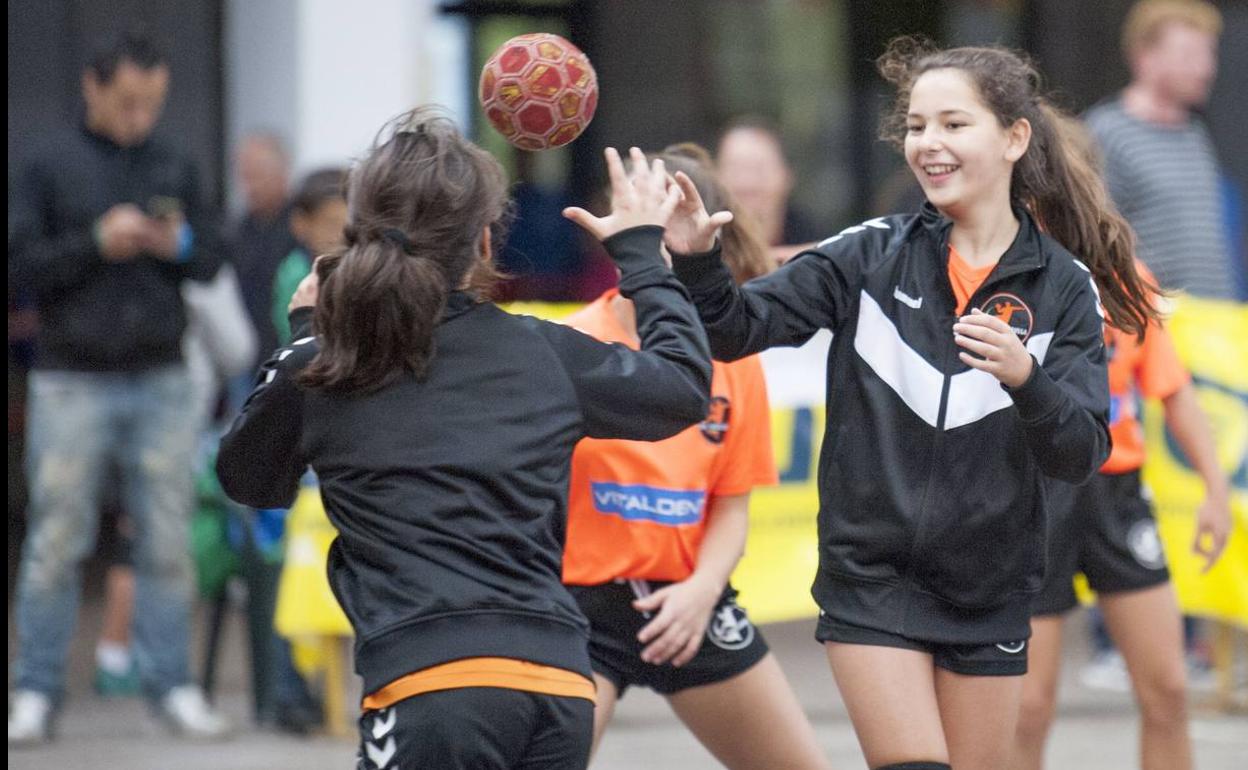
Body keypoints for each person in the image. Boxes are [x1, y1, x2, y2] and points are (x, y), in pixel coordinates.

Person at [669, 37, 1161, 770]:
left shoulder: (1063, 287)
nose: (928, 143)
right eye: (917, 126)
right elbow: (735, 331)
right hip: (872, 583)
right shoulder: (867, 254)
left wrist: (1029, 380)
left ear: (1014, 138)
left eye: (953, 125)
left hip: (990, 591)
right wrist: (695, 262)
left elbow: (1081, 451)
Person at [215, 108, 711, 769]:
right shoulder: (543, 351)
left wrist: (304, 334)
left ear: (355, 235)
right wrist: (644, 257)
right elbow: (680, 390)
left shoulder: (325, 364)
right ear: (483, 242)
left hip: (429, 689)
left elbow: (251, 480)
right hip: (558, 687)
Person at [561, 144, 830, 769]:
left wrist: (702, 590)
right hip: (578, 611)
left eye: (669, 223)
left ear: (700, 234)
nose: (652, 239)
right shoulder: (570, 343)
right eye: (638, 220)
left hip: (689, 601)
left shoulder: (731, 358)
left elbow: (732, 507)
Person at [7, 30, 229, 744]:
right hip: (71, 378)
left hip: (162, 374)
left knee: (167, 541)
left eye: (152, 103)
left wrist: (181, 244)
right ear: (94, 89)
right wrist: (94, 243)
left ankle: (173, 689)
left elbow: (213, 255)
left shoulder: (174, 160)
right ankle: (35, 691)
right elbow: (21, 266)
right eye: (129, 102)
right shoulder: (46, 165)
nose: (141, 116)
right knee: (56, 539)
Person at [1011, 261, 1231, 770]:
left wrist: (1215, 491)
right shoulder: (1013, 261)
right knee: (1027, 707)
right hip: (1039, 489)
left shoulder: (1125, 272)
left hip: (1117, 492)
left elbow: (1171, 387)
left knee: (1170, 691)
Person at [1084, 0, 1235, 300]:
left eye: (1209, 53)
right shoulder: (1107, 132)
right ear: (1145, 56)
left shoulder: (1194, 132)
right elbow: (1090, 238)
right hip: (1154, 323)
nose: (1205, 68)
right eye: (1189, 55)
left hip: (1216, 326)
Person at [229, 132, 299, 366]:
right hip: (246, 352)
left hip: (288, 348)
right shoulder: (239, 229)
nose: (250, 187)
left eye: (257, 176)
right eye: (245, 178)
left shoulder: (300, 227)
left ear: (282, 173)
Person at [716, 117, 822, 261]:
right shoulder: (702, 247)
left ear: (787, 175)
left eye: (759, 170)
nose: (747, 183)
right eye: (735, 170)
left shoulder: (819, 250)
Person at [271, 168, 348, 345]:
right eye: (331, 223)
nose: (340, 235)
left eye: (348, 224)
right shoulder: (295, 273)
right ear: (300, 223)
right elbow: (291, 333)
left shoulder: (356, 268)